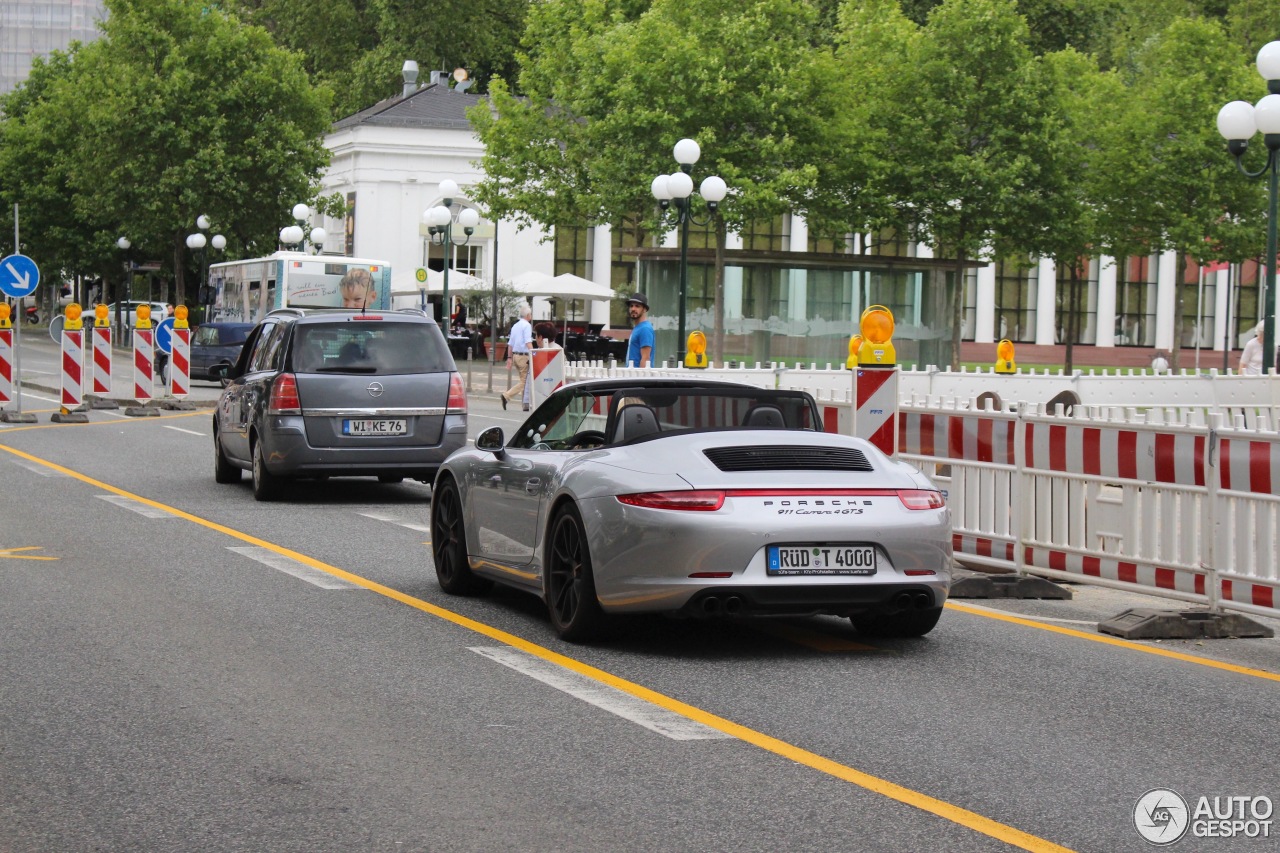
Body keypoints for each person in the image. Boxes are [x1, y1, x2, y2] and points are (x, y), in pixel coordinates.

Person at [501, 303, 533, 411]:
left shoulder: (515, 326)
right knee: (525, 381)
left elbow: (510, 344)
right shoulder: (527, 326)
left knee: (523, 379)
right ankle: (507, 395)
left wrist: (509, 358)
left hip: (515, 355)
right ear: (528, 315)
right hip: (524, 357)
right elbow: (528, 342)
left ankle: (525, 404)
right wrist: (534, 353)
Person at [625, 292, 654, 367]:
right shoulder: (638, 327)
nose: (633, 309)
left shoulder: (645, 329)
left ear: (644, 309)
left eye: (637, 306)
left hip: (637, 376)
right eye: (631, 306)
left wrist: (641, 378)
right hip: (631, 375)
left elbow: (645, 358)